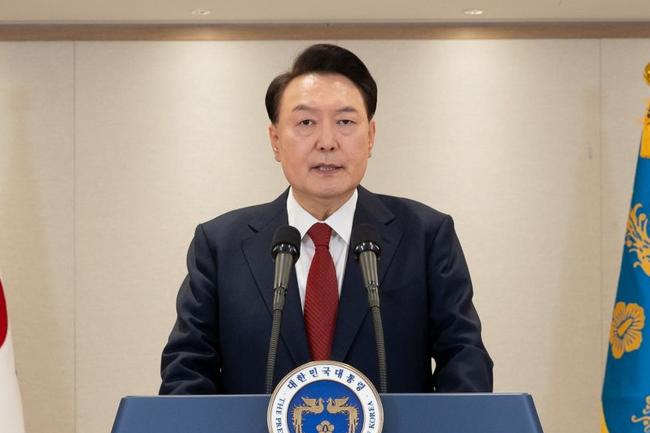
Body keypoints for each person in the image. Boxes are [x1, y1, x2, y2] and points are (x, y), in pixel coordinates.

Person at [159, 44, 493, 395]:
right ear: (275, 140)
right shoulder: (220, 245)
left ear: (370, 137)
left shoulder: (425, 236)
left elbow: (464, 357)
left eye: (345, 122)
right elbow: (187, 369)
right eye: (306, 122)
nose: (327, 142)